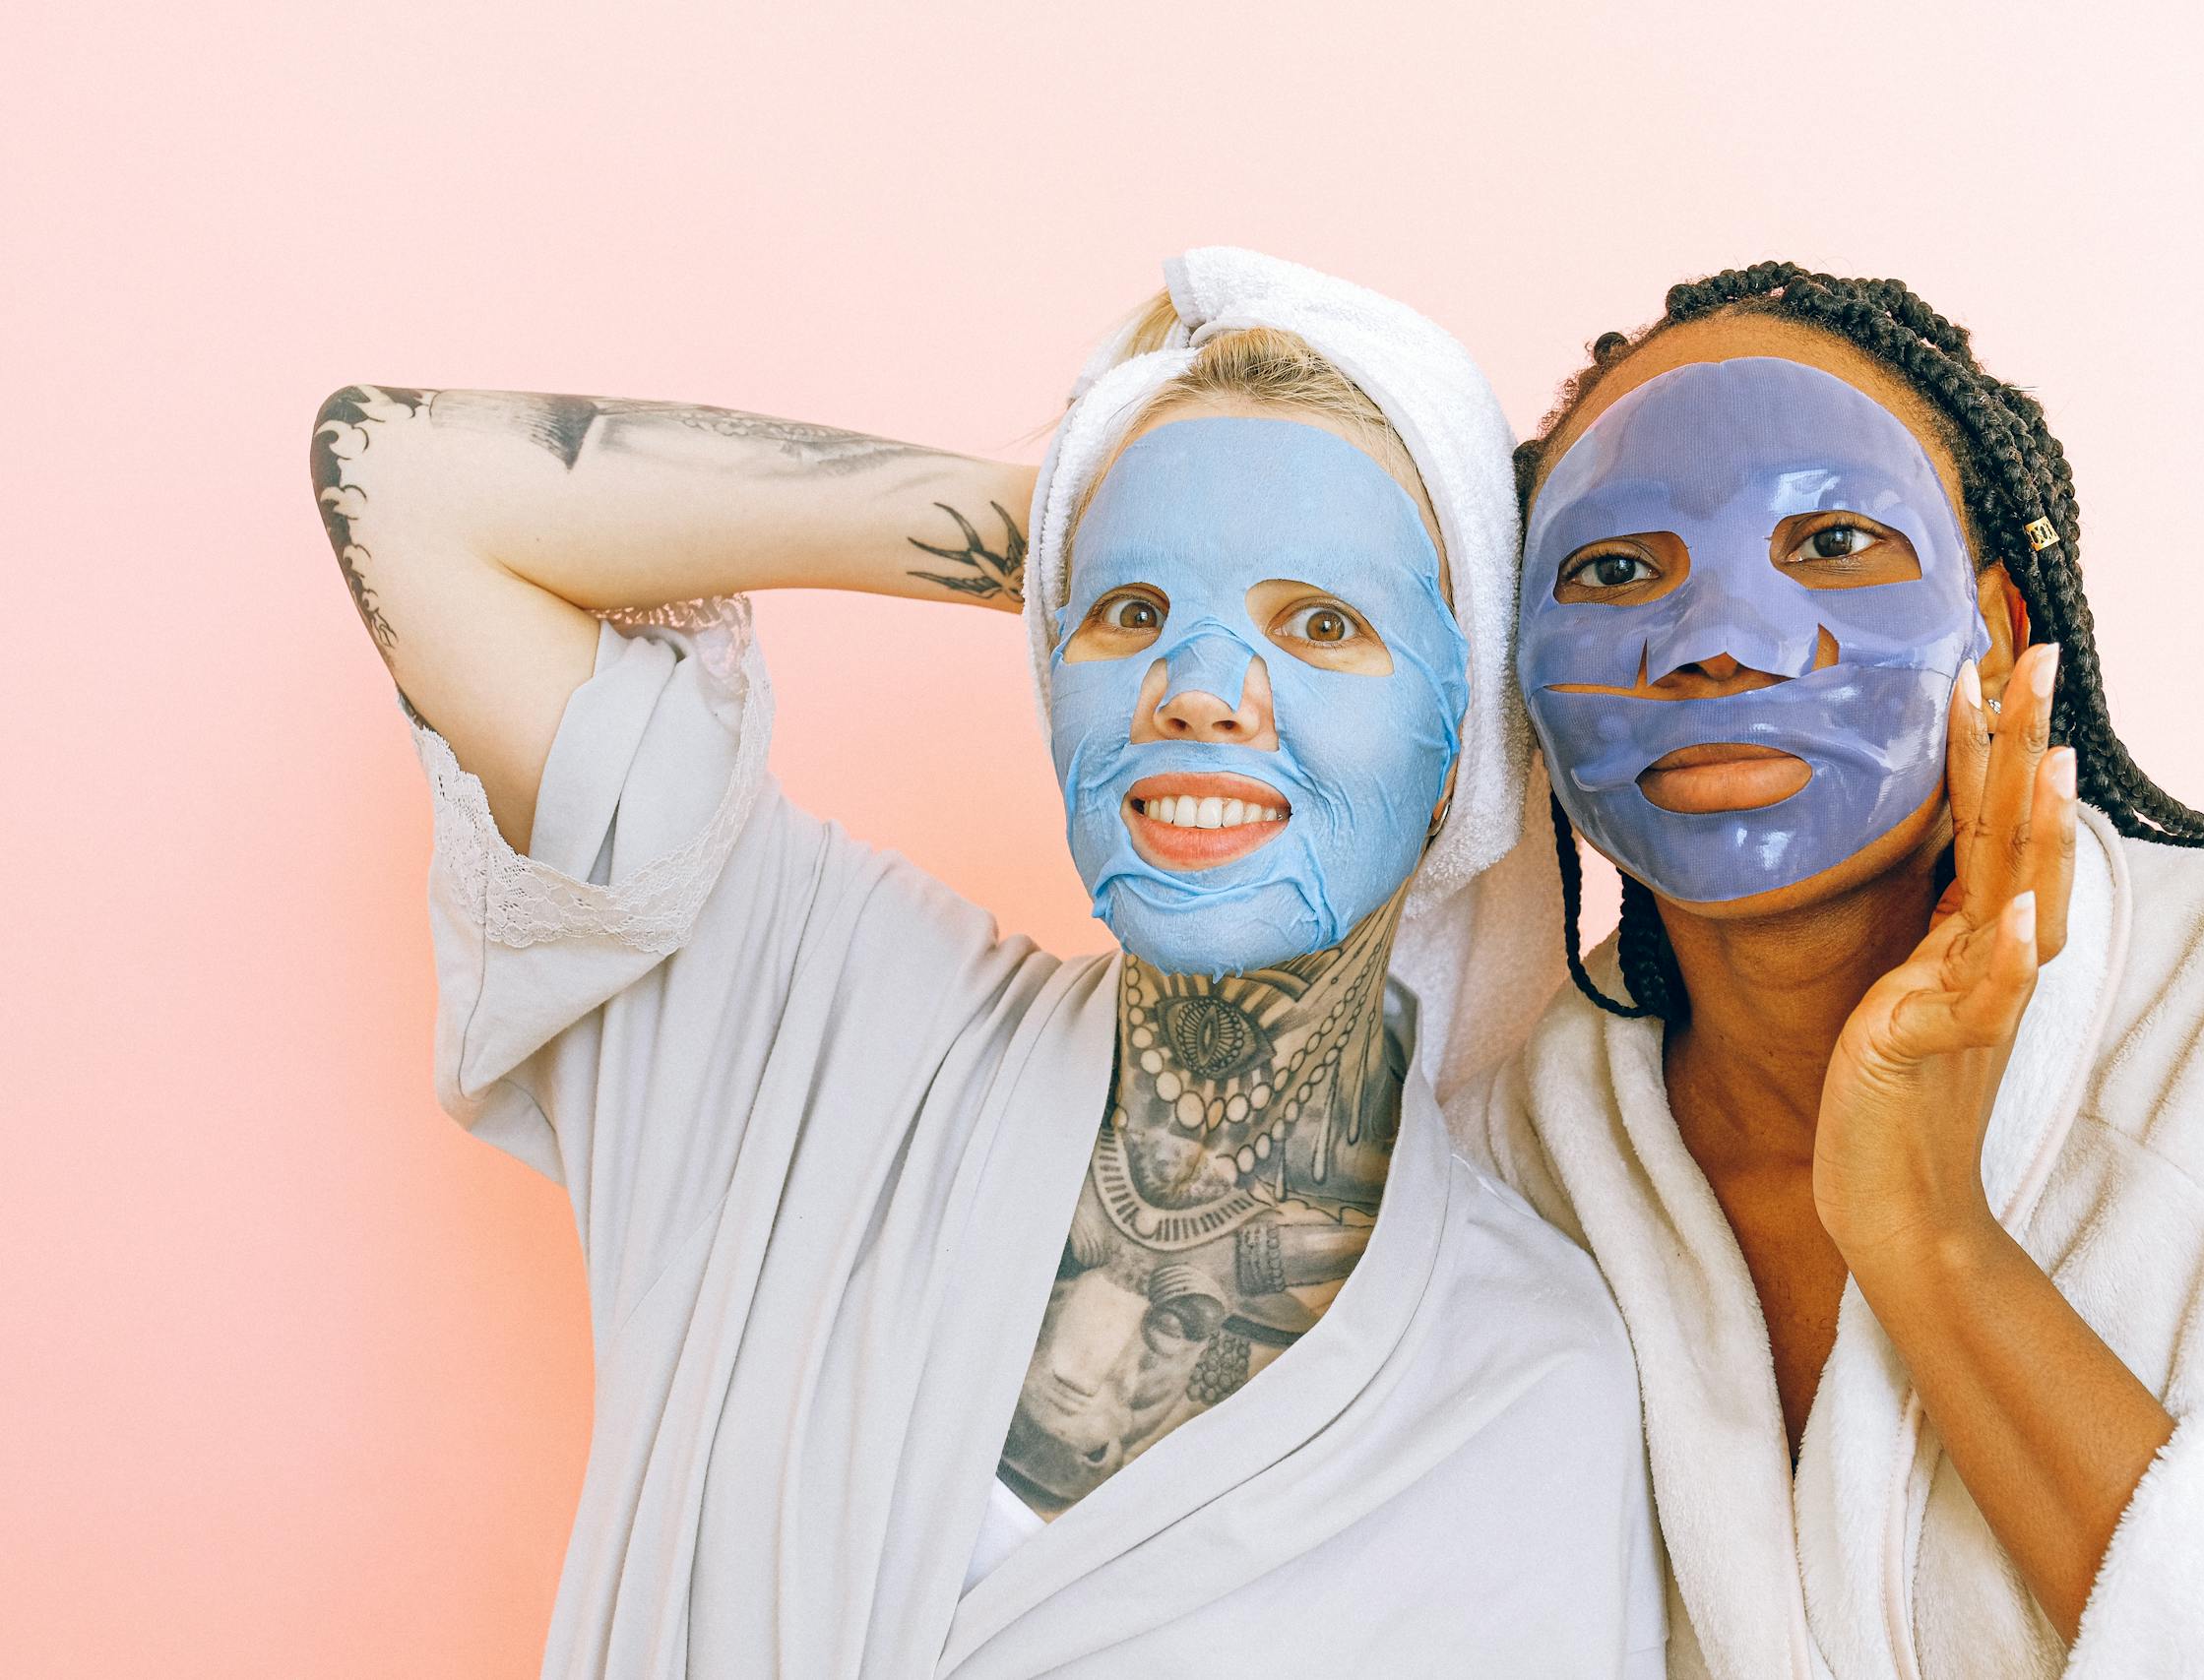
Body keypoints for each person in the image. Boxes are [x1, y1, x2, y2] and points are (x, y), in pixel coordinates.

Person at [309, 248, 1667, 1678]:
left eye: (1323, 624)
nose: (1198, 688)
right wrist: (1091, 503)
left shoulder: (1530, 1382)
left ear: (1465, 740)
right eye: (1129, 614)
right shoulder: (813, 1016)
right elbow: (404, 486)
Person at [1455, 262, 2204, 1679]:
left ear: (2003, 631)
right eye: (1614, 569)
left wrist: (1932, 1240)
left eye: (1833, 538)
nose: (1714, 641)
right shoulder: (1492, 1170)